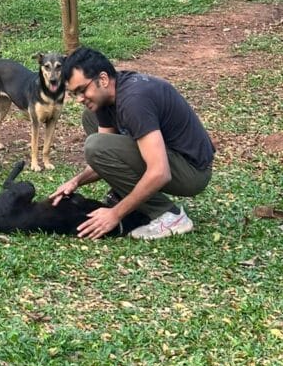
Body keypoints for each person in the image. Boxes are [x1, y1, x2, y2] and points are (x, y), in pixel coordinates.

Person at [49, 46, 214, 241]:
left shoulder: (134, 100)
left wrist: (115, 214)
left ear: (102, 79)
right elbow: (103, 158)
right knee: (91, 119)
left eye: (82, 90)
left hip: (192, 172)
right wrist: (76, 181)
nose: (79, 99)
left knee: (95, 145)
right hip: (171, 158)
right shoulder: (107, 96)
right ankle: (125, 194)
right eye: (74, 93)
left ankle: (169, 216)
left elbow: (160, 172)